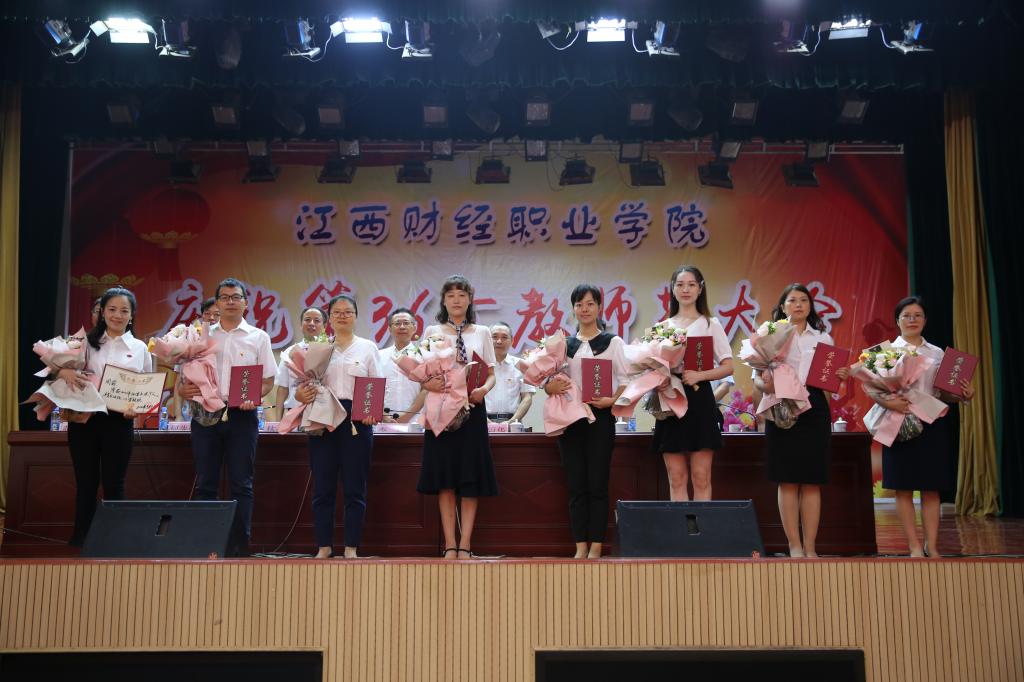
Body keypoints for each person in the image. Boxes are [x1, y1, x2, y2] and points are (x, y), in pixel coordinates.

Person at [178, 277, 276, 557]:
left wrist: (254, 396)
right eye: (225, 297)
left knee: (241, 483)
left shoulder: (259, 337)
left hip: (242, 417)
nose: (230, 302)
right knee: (205, 482)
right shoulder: (201, 336)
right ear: (217, 303)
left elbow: (268, 380)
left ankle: (239, 547)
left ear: (246, 303)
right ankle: (205, 546)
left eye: (236, 297)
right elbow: (184, 379)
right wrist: (184, 389)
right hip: (205, 414)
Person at [753, 283, 849, 558]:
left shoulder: (822, 337)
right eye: (792, 300)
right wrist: (766, 384)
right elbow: (757, 379)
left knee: (811, 479)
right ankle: (794, 546)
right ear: (782, 306)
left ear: (810, 306)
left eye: (803, 300)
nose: (798, 305)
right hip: (781, 404)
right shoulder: (769, 334)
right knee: (787, 480)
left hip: (813, 406)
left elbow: (829, 382)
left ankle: (810, 547)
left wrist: (839, 376)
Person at [875, 296, 974, 558]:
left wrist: (963, 395)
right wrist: (890, 401)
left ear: (925, 320)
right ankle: (914, 546)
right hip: (899, 422)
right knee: (903, 488)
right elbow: (873, 389)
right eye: (907, 316)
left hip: (931, 422)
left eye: (918, 315)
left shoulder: (937, 353)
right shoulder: (884, 352)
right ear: (897, 321)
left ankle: (932, 545)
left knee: (931, 488)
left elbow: (944, 394)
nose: (912, 320)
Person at [58, 287, 152, 546]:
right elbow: (59, 370)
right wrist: (63, 372)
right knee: (86, 483)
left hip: (119, 422)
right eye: (111, 309)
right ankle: (81, 539)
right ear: (102, 313)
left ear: (132, 315)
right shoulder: (84, 343)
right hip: (85, 419)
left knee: (114, 484)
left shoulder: (140, 348)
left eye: (124, 311)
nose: (117, 315)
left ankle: (114, 541)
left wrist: (137, 407)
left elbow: (145, 387)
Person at [295, 295, 381, 558]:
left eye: (348, 312)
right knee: (323, 487)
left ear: (356, 317)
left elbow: (376, 384)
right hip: (324, 420)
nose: (342, 316)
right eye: (337, 312)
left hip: (357, 422)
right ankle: (324, 546)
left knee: (355, 487)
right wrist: (301, 394)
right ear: (329, 318)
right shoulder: (318, 347)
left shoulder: (367, 348)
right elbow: (303, 386)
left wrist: (372, 412)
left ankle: (351, 547)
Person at [417, 275, 498, 560]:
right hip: (441, 410)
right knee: (446, 478)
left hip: (472, 409)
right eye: (450, 295)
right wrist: (430, 384)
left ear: (470, 299)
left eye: (461, 295)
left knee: (470, 478)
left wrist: (483, 390)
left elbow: (491, 374)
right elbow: (423, 375)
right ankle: (450, 544)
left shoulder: (483, 332)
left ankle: (465, 544)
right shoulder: (432, 331)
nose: (456, 300)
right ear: (443, 300)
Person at [545, 285, 628, 558]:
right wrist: (548, 387)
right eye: (579, 304)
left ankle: (597, 545)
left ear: (600, 307)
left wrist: (611, 401)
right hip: (570, 421)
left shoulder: (613, 342)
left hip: (600, 419)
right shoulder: (563, 345)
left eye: (590, 304)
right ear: (573, 309)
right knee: (576, 485)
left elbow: (626, 381)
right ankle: (580, 545)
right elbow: (549, 379)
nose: (585, 309)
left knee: (598, 484)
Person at [651, 266, 734, 501]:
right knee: (676, 477)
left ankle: (701, 526)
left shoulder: (710, 324)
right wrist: (657, 378)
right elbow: (651, 365)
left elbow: (728, 367)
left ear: (700, 289)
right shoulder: (662, 328)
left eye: (691, 284)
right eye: (680, 285)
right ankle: (681, 526)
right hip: (670, 399)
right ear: (672, 289)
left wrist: (700, 375)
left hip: (700, 399)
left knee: (701, 476)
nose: (685, 289)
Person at [274, 305, 326, 419]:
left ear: (324, 326)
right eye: (307, 320)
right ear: (301, 325)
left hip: (324, 415)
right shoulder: (290, 352)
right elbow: (283, 388)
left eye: (317, 321)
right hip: (295, 414)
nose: (311, 323)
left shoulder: (331, 352)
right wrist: (277, 420)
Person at [378, 308, 426, 423]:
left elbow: (426, 390)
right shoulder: (379, 356)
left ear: (414, 328)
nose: (402, 327)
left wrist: (405, 417)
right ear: (390, 329)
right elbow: (374, 388)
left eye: (406, 323)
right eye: (397, 323)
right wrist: (384, 416)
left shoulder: (423, 356)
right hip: (383, 422)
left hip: (414, 421)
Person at [485, 321, 535, 424]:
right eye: (494, 337)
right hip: (484, 423)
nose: (499, 341)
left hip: (513, 423)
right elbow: (472, 398)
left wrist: (511, 421)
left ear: (512, 341)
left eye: (504, 337)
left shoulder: (521, 365)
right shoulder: (480, 366)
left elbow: (527, 397)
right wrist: (485, 422)